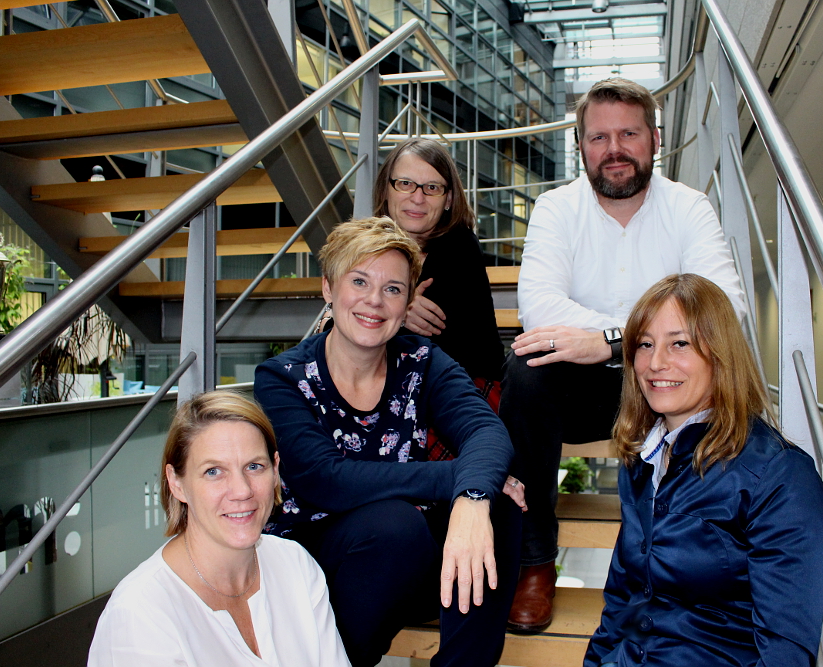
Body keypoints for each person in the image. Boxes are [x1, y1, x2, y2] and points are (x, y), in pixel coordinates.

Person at [501, 77, 747, 632]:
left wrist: (615, 340)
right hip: (587, 391)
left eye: (628, 134)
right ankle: (534, 562)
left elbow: (725, 306)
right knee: (526, 366)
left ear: (654, 139)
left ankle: (688, 569)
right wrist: (624, 337)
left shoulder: (688, 207)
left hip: (671, 382)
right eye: (598, 137)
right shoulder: (556, 208)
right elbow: (539, 307)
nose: (614, 149)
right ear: (581, 146)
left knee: (711, 365)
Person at [254, 217, 523, 667]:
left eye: (394, 289)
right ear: (328, 288)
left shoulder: (420, 359)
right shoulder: (284, 378)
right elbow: (326, 480)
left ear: (408, 302)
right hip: (320, 564)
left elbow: (486, 430)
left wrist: (474, 497)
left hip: (408, 559)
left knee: (499, 504)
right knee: (395, 524)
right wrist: (457, 478)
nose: (374, 301)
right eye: (359, 281)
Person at [585, 273, 823, 667]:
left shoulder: (781, 476)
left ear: (719, 354)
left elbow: (784, 654)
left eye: (679, 343)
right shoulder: (643, 458)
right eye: (644, 345)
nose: (655, 362)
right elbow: (623, 602)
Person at [88, 391, 350, 667]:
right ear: (176, 483)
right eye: (213, 471)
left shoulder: (295, 565)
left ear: (275, 470)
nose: (242, 490)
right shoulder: (141, 613)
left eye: (254, 466)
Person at [374, 138, 505, 452]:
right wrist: (399, 306)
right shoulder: (366, 246)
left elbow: (425, 347)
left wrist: (384, 305)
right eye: (405, 183)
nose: (417, 198)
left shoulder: (459, 247)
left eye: (432, 188)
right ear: (387, 190)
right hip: (389, 387)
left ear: (448, 199)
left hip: (459, 390)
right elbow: (338, 325)